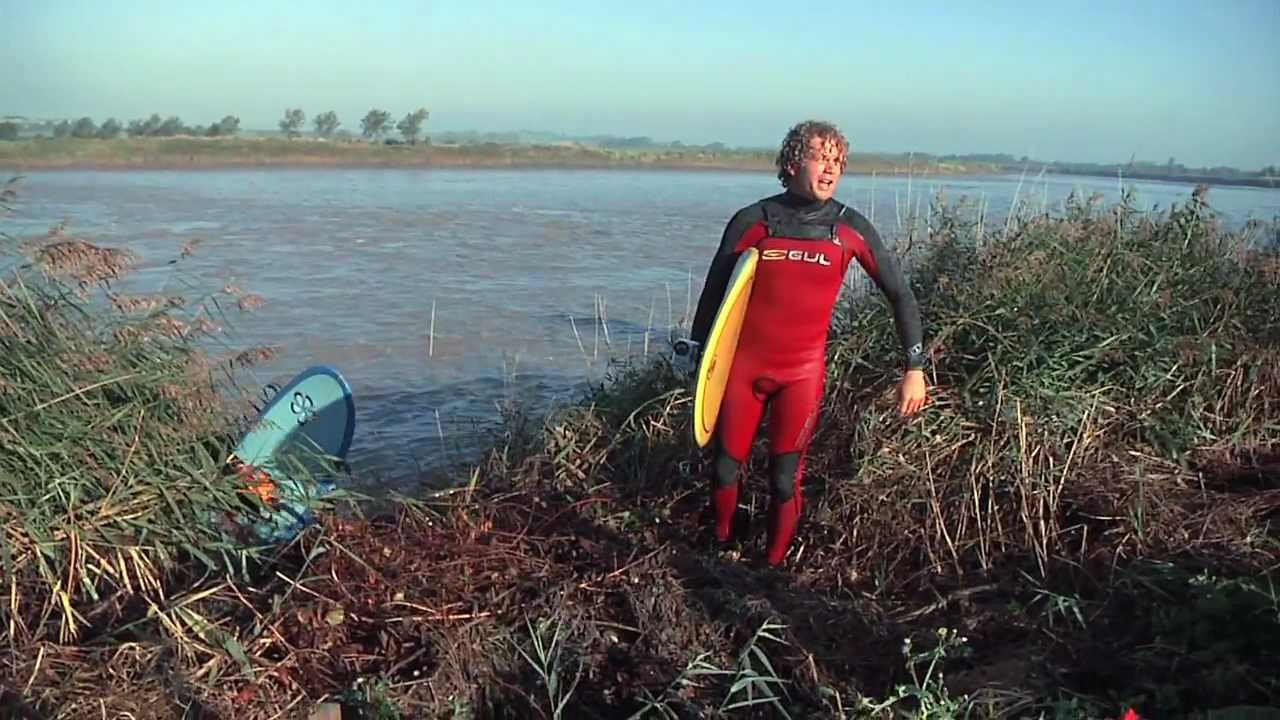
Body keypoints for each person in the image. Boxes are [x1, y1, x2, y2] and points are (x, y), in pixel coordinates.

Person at [683, 119, 928, 567]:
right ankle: (720, 548)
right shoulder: (753, 222)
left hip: (801, 374)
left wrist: (915, 368)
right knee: (723, 466)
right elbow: (715, 292)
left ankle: (772, 569)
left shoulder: (849, 229)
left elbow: (900, 294)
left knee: (783, 478)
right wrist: (697, 357)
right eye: (822, 158)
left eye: (838, 161)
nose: (831, 169)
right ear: (794, 162)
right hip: (742, 369)